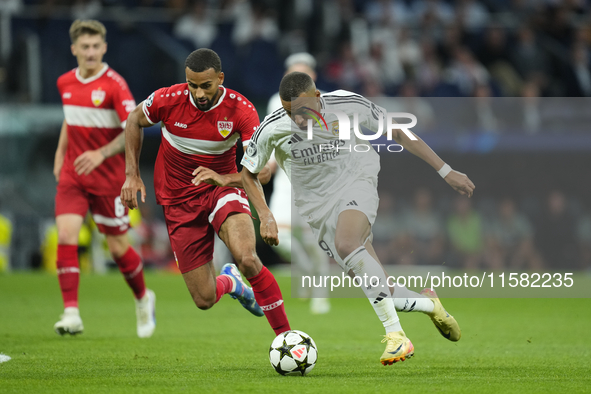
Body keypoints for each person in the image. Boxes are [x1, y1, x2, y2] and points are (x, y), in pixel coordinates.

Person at [241, 72, 475, 365]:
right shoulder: (273, 126)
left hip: (357, 181)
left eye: (302, 112)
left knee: (348, 244)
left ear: (316, 97)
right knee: (379, 287)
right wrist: (264, 215)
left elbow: (399, 132)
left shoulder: (348, 104)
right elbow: (248, 173)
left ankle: (397, 337)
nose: (298, 121)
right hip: (317, 209)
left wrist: (445, 170)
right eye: (291, 114)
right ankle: (429, 303)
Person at [120, 48, 291, 337]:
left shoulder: (241, 110)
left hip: (219, 191)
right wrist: (132, 175)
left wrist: (228, 183)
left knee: (247, 258)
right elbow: (134, 120)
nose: (199, 93)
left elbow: (260, 172)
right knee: (204, 299)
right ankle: (232, 284)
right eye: (193, 85)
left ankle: (287, 338)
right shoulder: (167, 99)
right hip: (177, 200)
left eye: (206, 86)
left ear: (220, 79)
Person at [53, 20, 155, 337]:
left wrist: (100, 153)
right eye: (85, 47)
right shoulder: (64, 82)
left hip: (109, 179)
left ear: (105, 47)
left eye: (96, 46)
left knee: (117, 247)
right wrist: (60, 155)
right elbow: (71, 121)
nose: (91, 52)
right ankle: (71, 313)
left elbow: (132, 127)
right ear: (74, 50)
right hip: (74, 174)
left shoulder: (115, 86)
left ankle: (143, 298)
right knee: (67, 234)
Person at [267, 52, 330, 314]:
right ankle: (304, 272)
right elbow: (271, 134)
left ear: (313, 77)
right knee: (278, 236)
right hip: (285, 177)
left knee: (313, 240)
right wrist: (267, 163)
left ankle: (320, 294)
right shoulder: (276, 101)